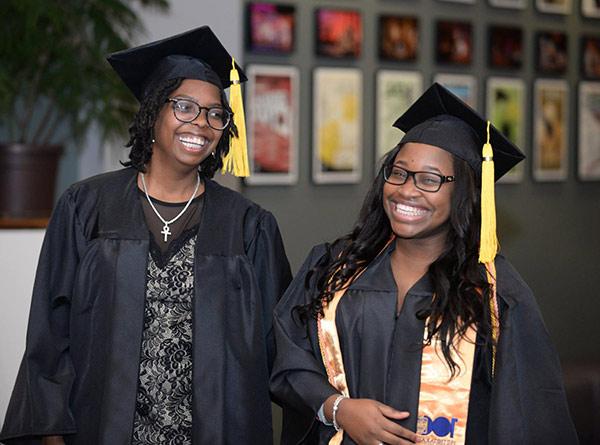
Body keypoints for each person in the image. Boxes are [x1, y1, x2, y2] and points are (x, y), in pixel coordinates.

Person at [0, 26, 291, 445]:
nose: (202, 123)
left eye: (215, 113)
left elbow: (279, 346)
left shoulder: (249, 225)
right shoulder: (86, 206)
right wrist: (51, 432)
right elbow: (50, 331)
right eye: (185, 107)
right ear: (153, 112)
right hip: (99, 429)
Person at [271, 83, 578, 445]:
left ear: (464, 191)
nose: (406, 190)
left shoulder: (497, 296)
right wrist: (338, 408)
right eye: (398, 172)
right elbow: (288, 359)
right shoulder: (332, 270)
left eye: (430, 179)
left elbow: (528, 416)